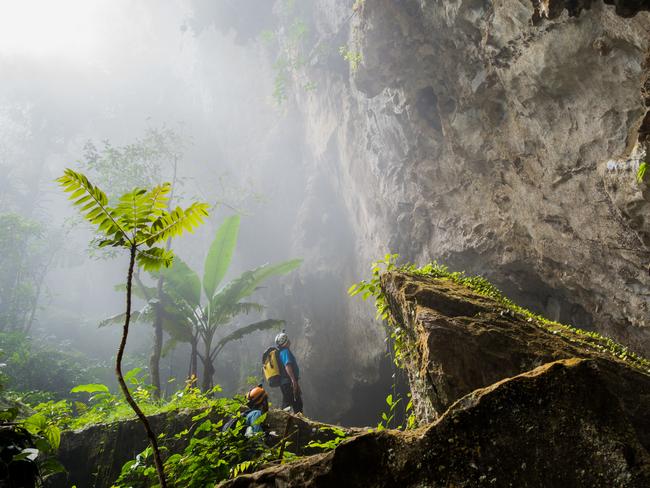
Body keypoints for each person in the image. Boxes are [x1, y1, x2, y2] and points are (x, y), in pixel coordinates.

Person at [275, 330, 303, 414]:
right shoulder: (285, 352)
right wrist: (293, 381)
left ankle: (299, 420)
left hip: (286, 382)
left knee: (296, 402)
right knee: (289, 402)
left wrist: (295, 382)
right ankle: (282, 418)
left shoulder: (282, 352)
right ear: (285, 341)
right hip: (288, 382)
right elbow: (288, 365)